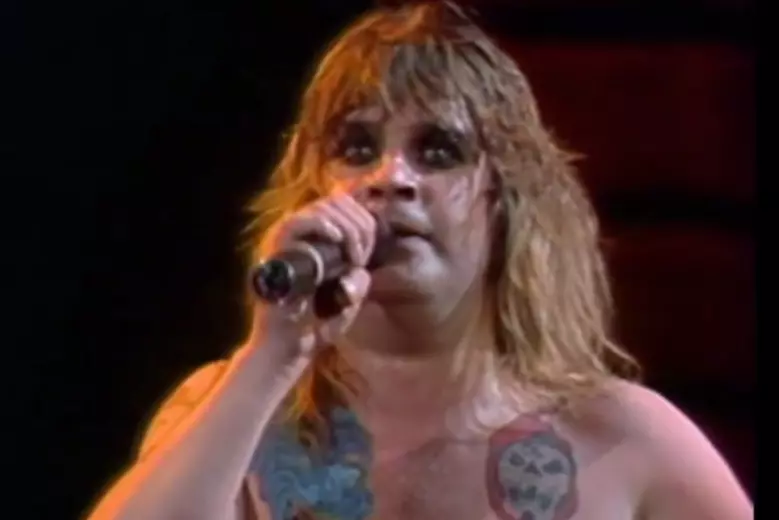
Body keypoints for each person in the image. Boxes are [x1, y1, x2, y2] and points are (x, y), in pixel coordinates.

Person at [87, 2, 752, 519]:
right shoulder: (227, 413)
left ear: (505, 200)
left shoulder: (624, 439)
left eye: (438, 151)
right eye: (356, 148)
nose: (391, 178)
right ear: (311, 189)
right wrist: (271, 357)